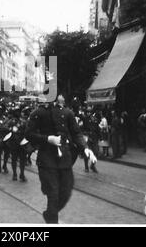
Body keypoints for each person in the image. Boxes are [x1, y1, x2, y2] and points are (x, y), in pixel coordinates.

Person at [25, 94, 96, 224]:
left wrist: (85, 148)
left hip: (64, 159)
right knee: (53, 194)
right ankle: (52, 220)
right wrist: (47, 139)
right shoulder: (38, 112)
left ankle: (50, 214)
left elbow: (76, 133)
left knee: (66, 192)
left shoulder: (67, 113)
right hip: (47, 160)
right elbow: (29, 134)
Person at [6, 107, 27, 182]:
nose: (18, 113)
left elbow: (27, 130)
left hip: (22, 142)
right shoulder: (11, 121)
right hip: (14, 142)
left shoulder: (24, 121)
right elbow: (6, 129)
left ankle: (22, 173)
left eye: (19, 111)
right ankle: (14, 173)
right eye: (16, 112)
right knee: (14, 159)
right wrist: (11, 129)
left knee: (23, 159)